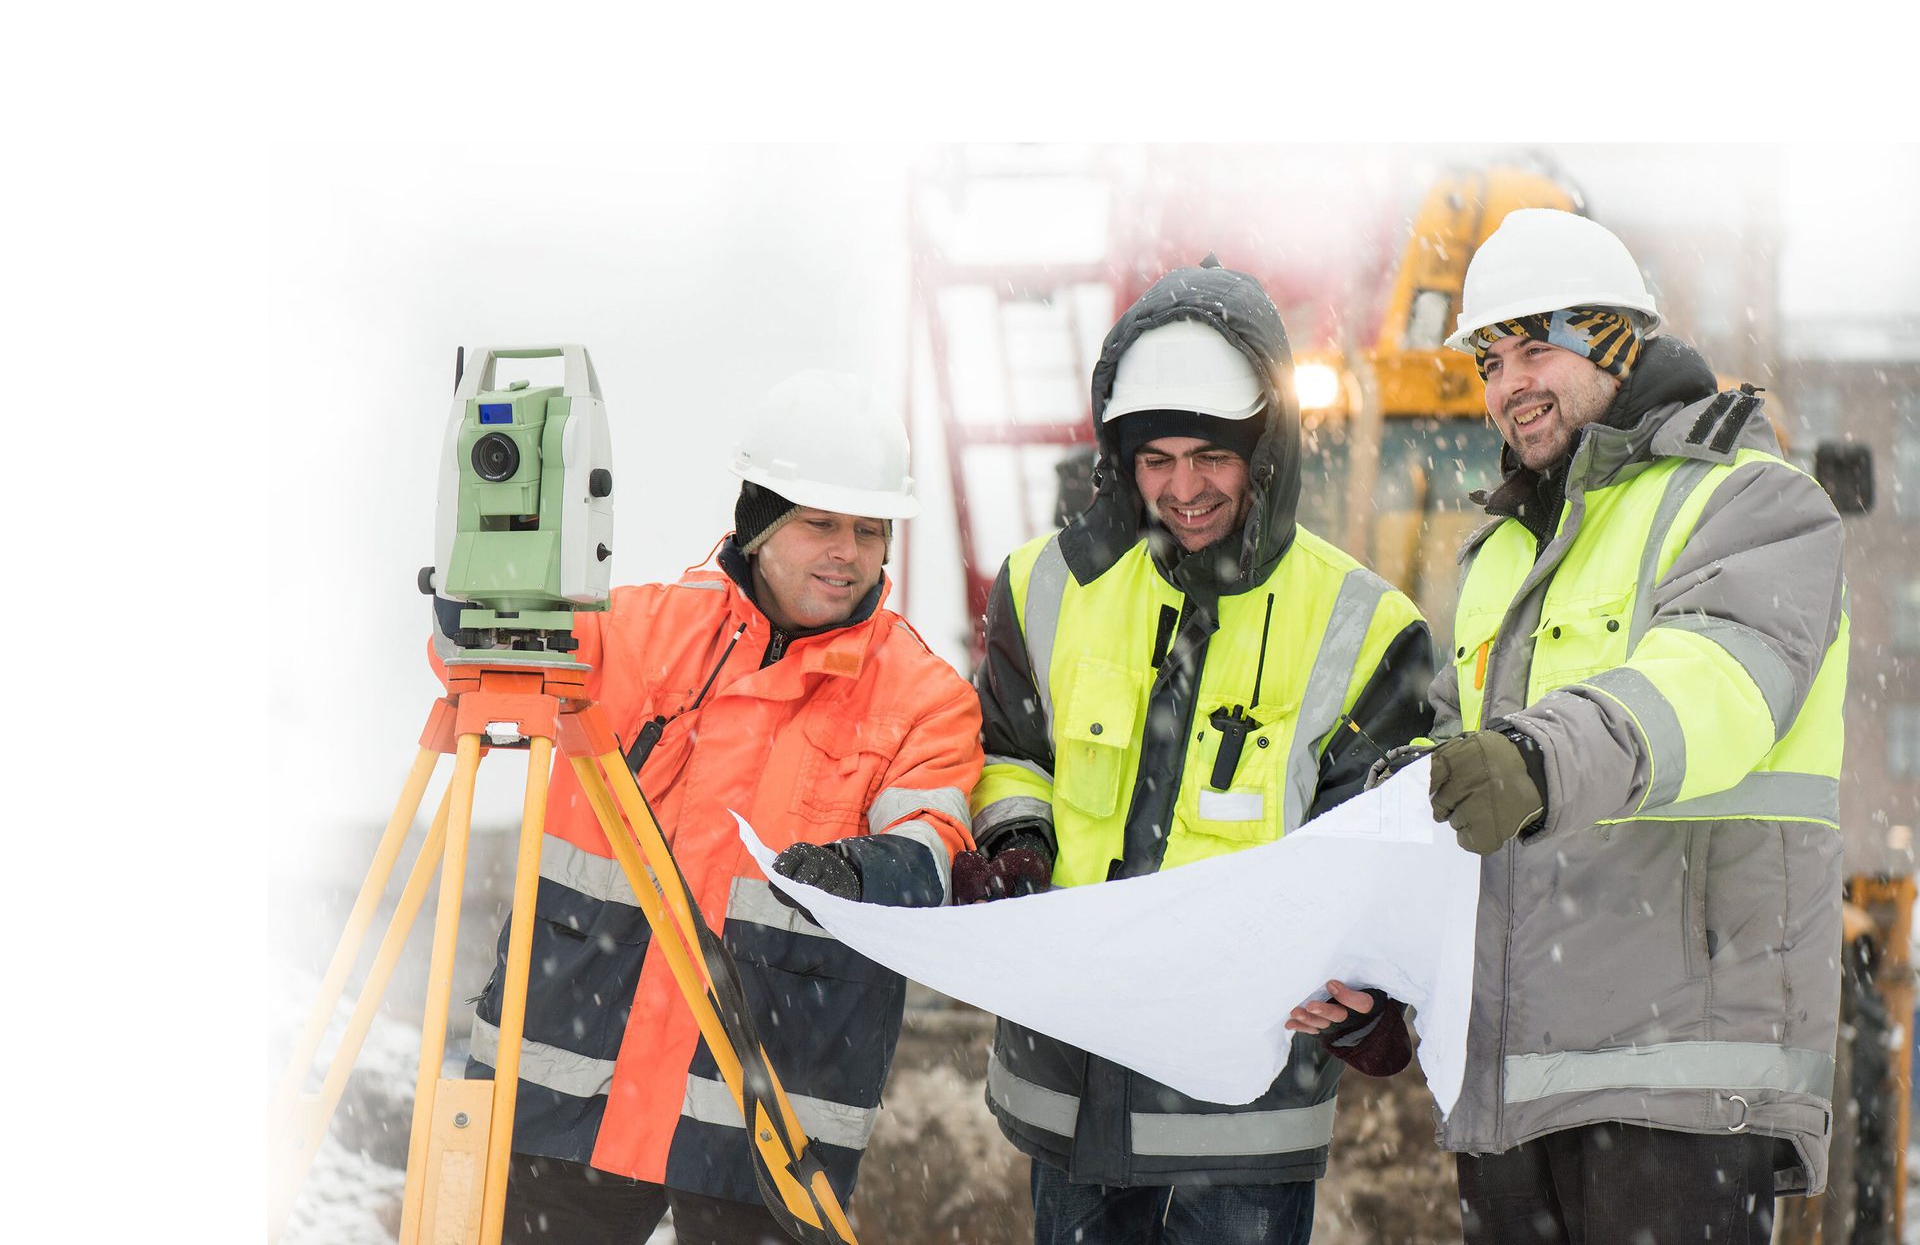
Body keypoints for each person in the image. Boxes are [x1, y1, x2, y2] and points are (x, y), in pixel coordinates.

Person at [442, 370, 984, 1244]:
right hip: (575, 1089)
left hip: (764, 1121)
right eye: (820, 523)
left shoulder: (927, 696)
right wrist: (483, 597)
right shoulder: (645, 632)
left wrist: (860, 869)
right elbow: (493, 669)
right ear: (760, 521)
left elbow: (932, 848)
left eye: (869, 529)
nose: (847, 551)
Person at [966, 256, 1434, 1244]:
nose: (1185, 489)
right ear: (1120, 454)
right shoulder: (1042, 586)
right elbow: (1012, 750)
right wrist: (1018, 846)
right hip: (1075, 1083)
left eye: (1211, 456)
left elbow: (1389, 855)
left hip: (1244, 1110)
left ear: (1265, 451)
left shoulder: (1363, 626)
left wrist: (1371, 995)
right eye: (1158, 458)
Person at [1403, 208, 1848, 1244]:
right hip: (1513, 1094)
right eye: (1489, 360)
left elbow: (1708, 686)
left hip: (1679, 1089)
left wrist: (1534, 755)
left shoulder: (1754, 504)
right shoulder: (1499, 556)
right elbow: (1447, 767)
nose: (1510, 384)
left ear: (1614, 338)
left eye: (1537, 346)